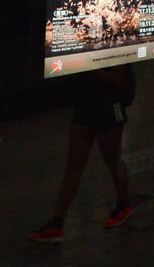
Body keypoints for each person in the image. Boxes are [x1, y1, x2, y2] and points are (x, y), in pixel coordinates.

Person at [28, 65, 135, 242]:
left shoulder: (112, 45)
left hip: (108, 107)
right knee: (73, 167)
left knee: (112, 160)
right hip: (85, 106)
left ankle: (124, 203)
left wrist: (91, 69)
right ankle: (57, 223)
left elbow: (118, 81)